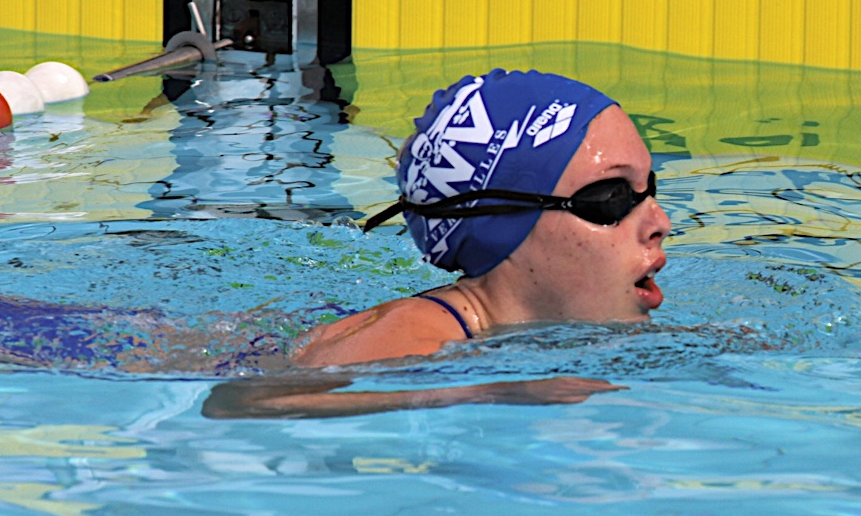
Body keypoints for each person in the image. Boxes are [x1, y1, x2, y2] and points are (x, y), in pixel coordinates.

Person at [203, 69, 669, 419]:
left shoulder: (512, 330)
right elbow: (243, 402)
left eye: (649, 188)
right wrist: (493, 390)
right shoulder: (414, 338)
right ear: (499, 224)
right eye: (610, 198)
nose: (659, 222)